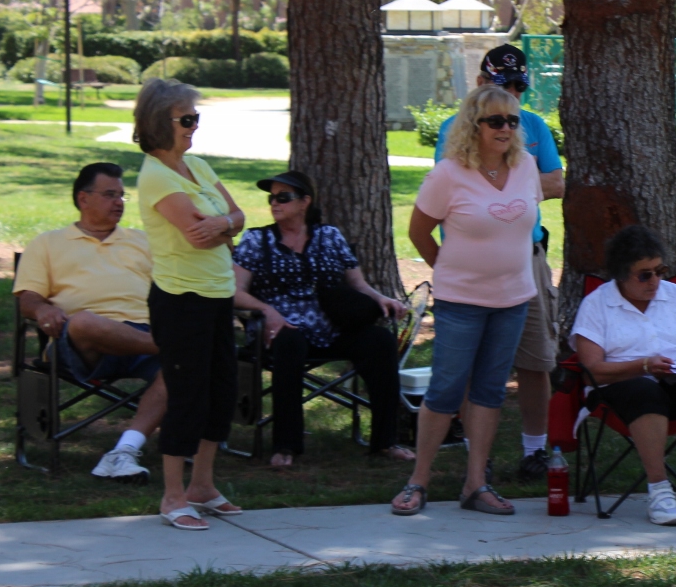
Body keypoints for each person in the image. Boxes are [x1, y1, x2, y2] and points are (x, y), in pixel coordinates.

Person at [393, 84, 543, 516]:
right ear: (473, 126)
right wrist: (448, 270)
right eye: (495, 121)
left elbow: (518, 225)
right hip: (461, 301)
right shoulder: (448, 174)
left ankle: (475, 485)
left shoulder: (527, 167)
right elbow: (419, 232)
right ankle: (417, 482)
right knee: (445, 389)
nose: (505, 129)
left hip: (513, 299)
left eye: (512, 121)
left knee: (490, 392)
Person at [435, 44, 564, 481]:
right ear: (479, 84)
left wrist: (502, 187)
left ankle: (534, 450)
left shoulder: (534, 127)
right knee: (471, 366)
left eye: (517, 87)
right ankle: (478, 455)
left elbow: (557, 181)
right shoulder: (453, 129)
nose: (510, 95)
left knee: (535, 359)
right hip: (468, 267)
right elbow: (450, 185)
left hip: (526, 259)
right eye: (500, 85)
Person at [232, 170, 415, 467]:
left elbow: (358, 284)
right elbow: (234, 291)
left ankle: (386, 440)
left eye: (283, 197)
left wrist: (382, 298)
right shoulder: (257, 240)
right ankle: (286, 445)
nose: (274, 203)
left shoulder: (330, 236)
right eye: (271, 198)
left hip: (331, 329)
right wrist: (268, 311)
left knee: (379, 340)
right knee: (289, 343)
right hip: (279, 330)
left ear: (305, 202)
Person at [133, 78, 247, 530]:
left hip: (219, 295)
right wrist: (224, 225)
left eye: (195, 118)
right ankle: (172, 494)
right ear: (161, 122)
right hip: (181, 300)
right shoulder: (155, 176)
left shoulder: (196, 166)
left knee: (221, 392)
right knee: (187, 395)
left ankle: (203, 486)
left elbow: (237, 219)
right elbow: (196, 239)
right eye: (186, 119)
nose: (193, 127)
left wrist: (222, 222)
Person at [13, 162, 166, 482]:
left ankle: (124, 451)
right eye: (110, 195)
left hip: (141, 334)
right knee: (83, 322)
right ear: (83, 199)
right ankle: (170, 347)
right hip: (81, 344)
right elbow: (28, 297)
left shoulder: (142, 241)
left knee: (179, 368)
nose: (118, 203)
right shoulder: (48, 242)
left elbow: (171, 289)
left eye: (122, 196)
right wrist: (43, 311)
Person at [571, 225, 676, 526]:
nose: (655, 281)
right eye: (644, 274)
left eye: (659, 270)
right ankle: (660, 489)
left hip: (675, 381)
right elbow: (592, 371)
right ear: (621, 276)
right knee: (645, 392)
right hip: (617, 388)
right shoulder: (597, 304)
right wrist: (643, 366)